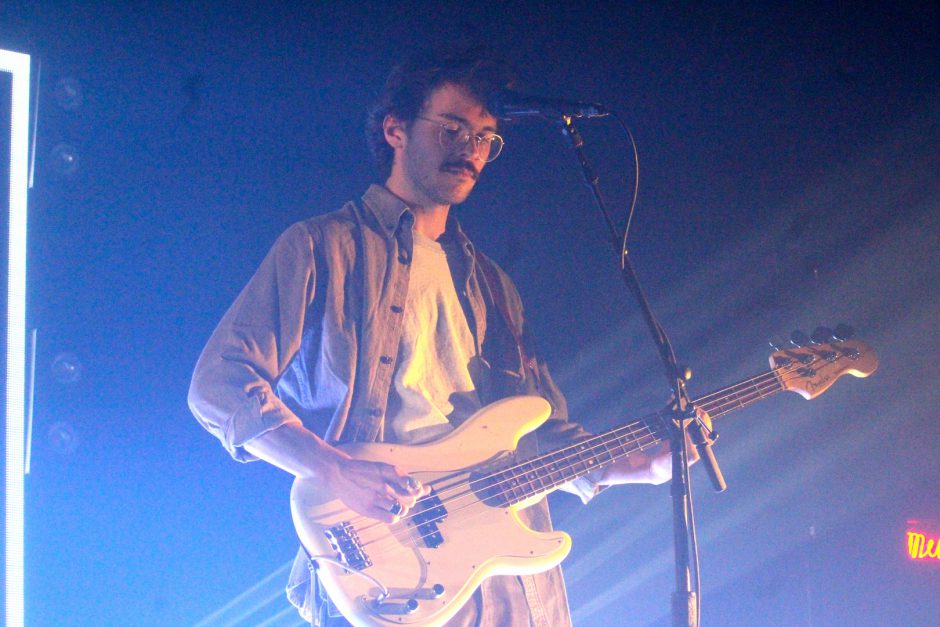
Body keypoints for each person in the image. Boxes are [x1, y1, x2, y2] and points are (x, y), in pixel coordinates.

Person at [189, 46, 684, 626]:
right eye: (452, 128)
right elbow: (220, 384)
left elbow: (541, 434)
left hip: (511, 584)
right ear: (395, 130)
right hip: (383, 569)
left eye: (485, 138)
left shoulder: (494, 285)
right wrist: (333, 468)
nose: (470, 149)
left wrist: (642, 465)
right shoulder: (323, 247)